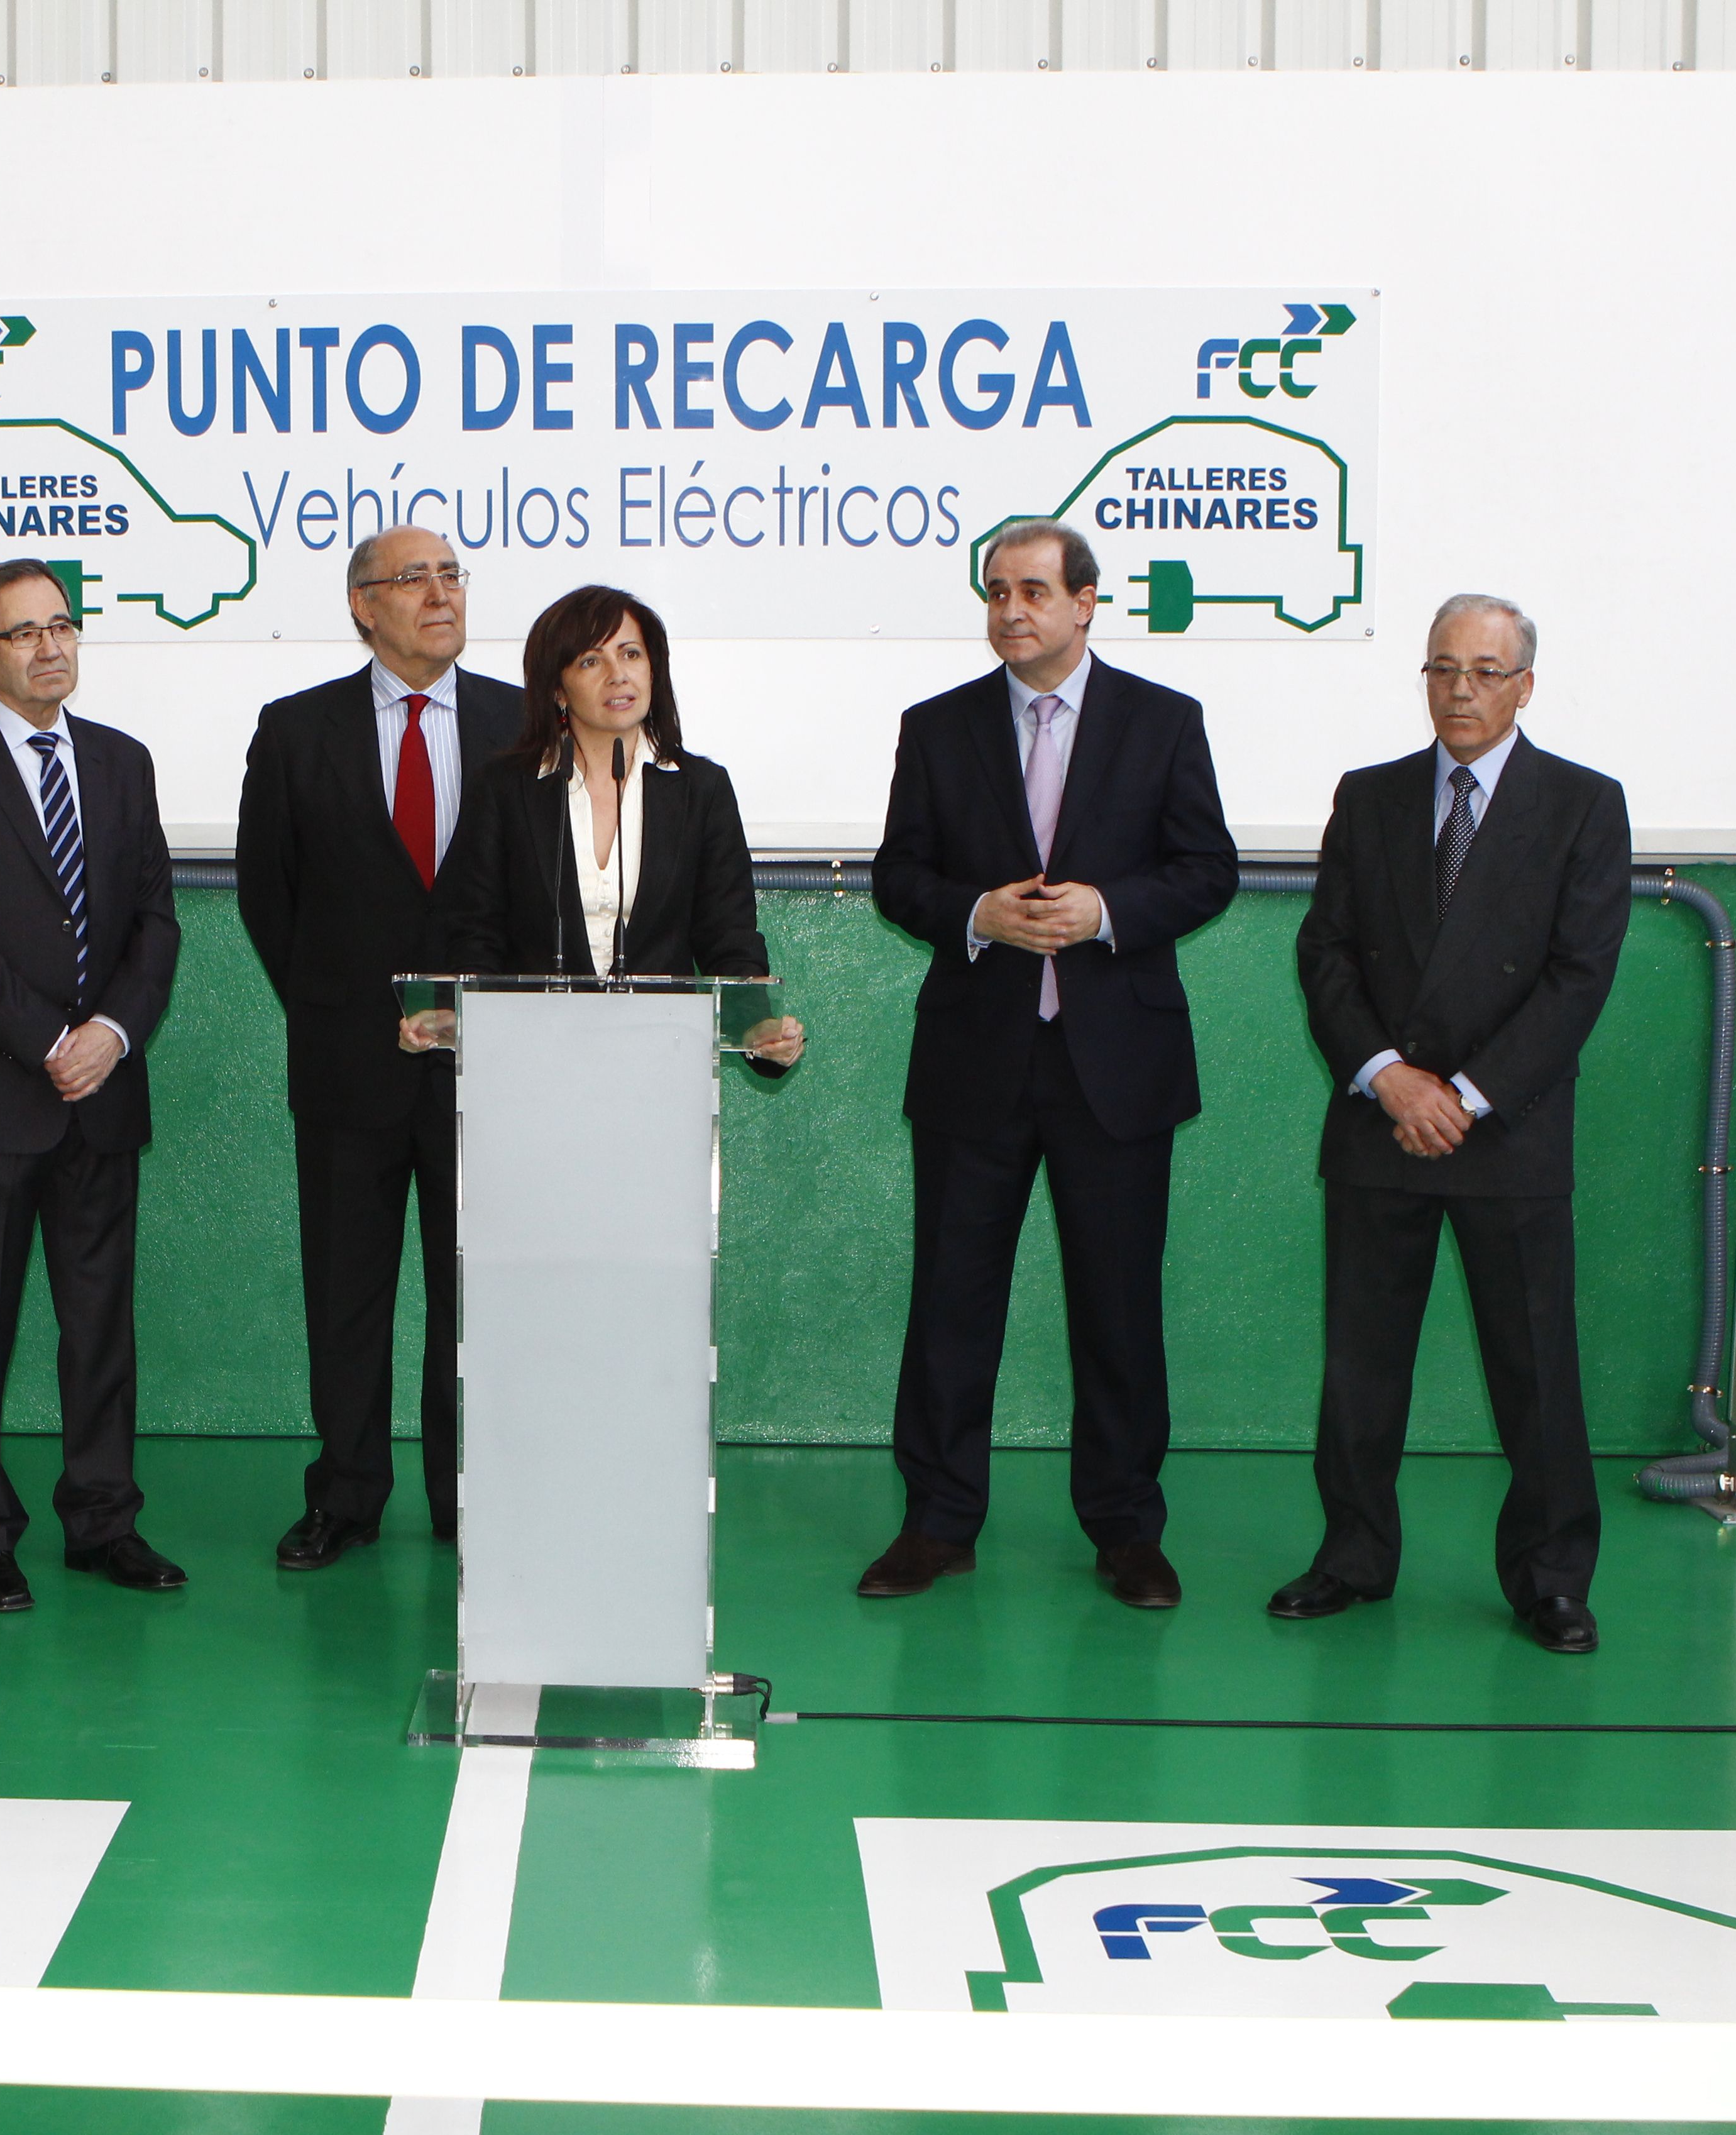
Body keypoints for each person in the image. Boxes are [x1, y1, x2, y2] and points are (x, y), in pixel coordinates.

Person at [864, 519, 1238, 1610]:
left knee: (1117, 1309)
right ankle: (936, 1523)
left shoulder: (1163, 722)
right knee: (950, 1302)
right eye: (995, 592)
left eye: (1031, 590)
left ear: (1084, 603)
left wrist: (1106, 911)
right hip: (974, 1059)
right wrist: (976, 914)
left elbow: (1206, 869)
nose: (1010, 610)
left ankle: (1125, 1529)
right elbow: (898, 876)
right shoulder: (936, 728)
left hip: (1114, 1064)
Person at [1277, 595, 1630, 1655]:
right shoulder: (1369, 796)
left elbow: (1577, 978)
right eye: (1443, 669)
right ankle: (1351, 1556)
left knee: (1535, 1373)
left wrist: (1464, 1094)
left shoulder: (1582, 805)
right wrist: (1389, 1078)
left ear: (1525, 687)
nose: (1461, 690)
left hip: (1506, 1132)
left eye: (1484, 671)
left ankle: (1551, 1580)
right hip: (1380, 1125)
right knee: (1360, 1369)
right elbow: (1324, 954)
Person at [0, 558, 185, 1613]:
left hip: (102, 1092)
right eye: (25, 633)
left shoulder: (120, 761)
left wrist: (110, 1034)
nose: (51, 646)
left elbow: (155, 921)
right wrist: (49, 1038)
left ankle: (104, 1520)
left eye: (62, 625)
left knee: (100, 1324)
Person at [237, 527, 519, 1570]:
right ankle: (345, 1495)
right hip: (346, 1063)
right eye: (414, 579)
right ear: (362, 605)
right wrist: (339, 1009)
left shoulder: (521, 722)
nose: (440, 594)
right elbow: (268, 897)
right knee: (346, 1293)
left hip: (489, 1068)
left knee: (473, 1298)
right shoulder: (295, 730)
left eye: (451, 576)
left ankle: (468, 1496)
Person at [417, 583, 803, 1073]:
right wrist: (462, 1014)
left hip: (661, 1062)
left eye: (631, 654)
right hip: (530, 1063)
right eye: (590, 661)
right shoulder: (505, 788)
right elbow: (475, 930)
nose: (618, 674)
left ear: (653, 669)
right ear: (558, 690)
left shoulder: (700, 789)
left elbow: (728, 936)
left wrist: (755, 1028)